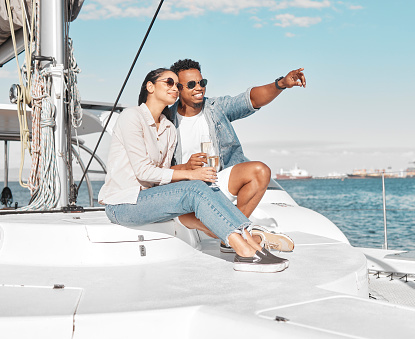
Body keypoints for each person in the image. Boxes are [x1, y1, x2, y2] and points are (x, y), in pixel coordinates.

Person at [98, 68, 288, 273]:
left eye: (176, 84)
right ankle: (245, 252)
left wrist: (189, 172)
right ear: (150, 86)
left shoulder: (169, 129)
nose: (175, 88)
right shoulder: (132, 116)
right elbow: (144, 172)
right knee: (194, 187)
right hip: (123, 204)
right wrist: (189, 173)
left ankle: (249, 240)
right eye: (169, 83)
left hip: (153, 199)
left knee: (203, 187)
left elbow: (162, 173)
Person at [166, 59, 306, 253]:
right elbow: (156, 168)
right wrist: (187, 168)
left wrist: (280, 84)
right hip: (186, 191)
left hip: (217, 183)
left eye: (202, 82)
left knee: (260, 171)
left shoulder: (215, 108)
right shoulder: (166, 120)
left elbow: (251, 99)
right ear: (178, 88)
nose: (199, 88)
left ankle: (233, 234)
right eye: (191, 85)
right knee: (196, 218)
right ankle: (246, 235)